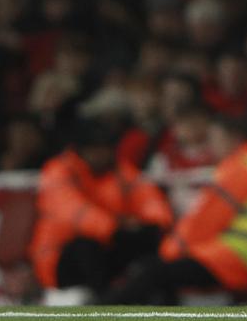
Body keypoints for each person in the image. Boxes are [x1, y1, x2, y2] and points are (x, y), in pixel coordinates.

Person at [102, 115, 247, 304]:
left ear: (234, 139)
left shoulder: (239, 170)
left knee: (153, 273)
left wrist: (169, 251)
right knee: (161, 276)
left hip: (236, 257)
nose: (211, 145)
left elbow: (205, 223)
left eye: (214, 138)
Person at [29, 118, 174, 305]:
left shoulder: (120, 171)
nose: (100, 155)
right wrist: (117, 227)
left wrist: (155, 224)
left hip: (107, 246)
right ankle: (106, 305)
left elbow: (149, 198)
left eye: (104, 148)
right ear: (80, 150)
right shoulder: (57, 170)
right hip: (59, 258)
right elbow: (74, 212)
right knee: (87, 247)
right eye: (94, 149)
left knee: (149, 241)